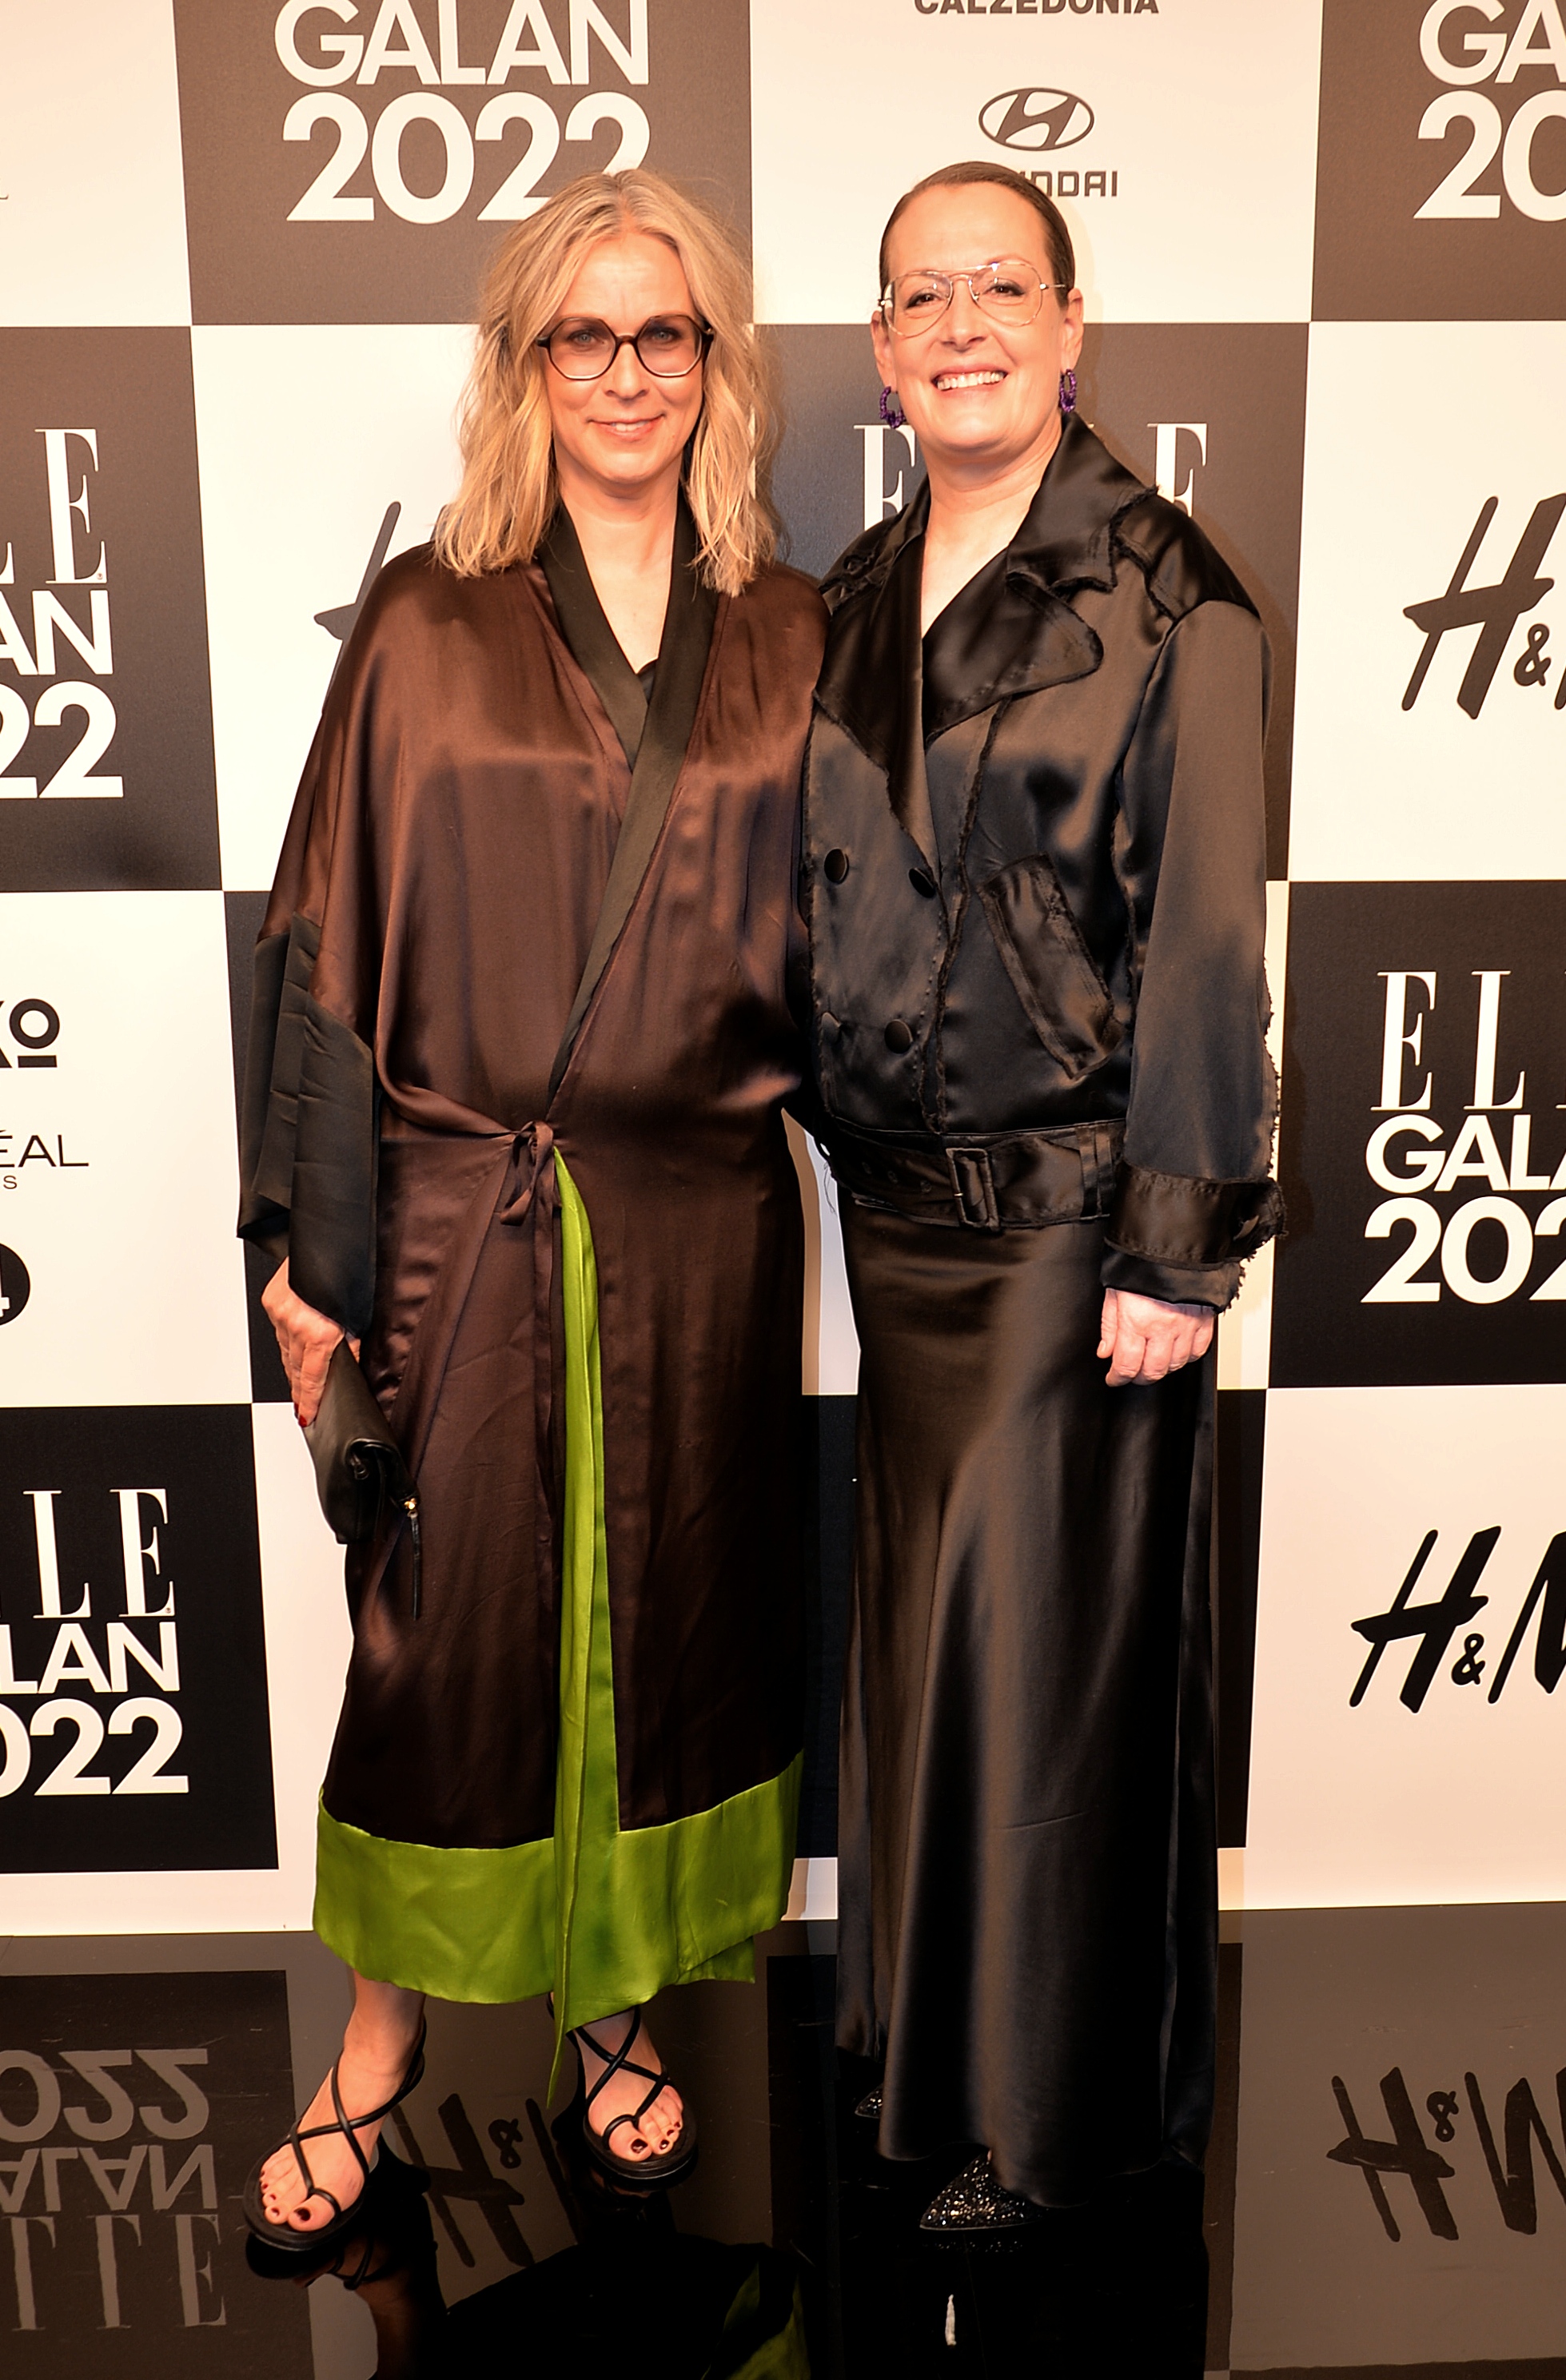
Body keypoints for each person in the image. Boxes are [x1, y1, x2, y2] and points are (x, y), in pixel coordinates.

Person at [238, 169, 826, 2245]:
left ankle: (616, 2007)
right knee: (440, 1647)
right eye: (586, 334)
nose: (628, 372)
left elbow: (865, 954)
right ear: (526, 366)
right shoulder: (429, 621)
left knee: (669, 1625)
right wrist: (307, 1264)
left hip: (702, 1233)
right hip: (456, 1223)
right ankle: (379, 2042)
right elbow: (321, 945)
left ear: (715, 363)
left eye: (665, 332)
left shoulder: (789, 634)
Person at [803, 161, 1281, 2227]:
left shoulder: (1175, 590)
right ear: (882, 347)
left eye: (1003, 284)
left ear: (1073, 327)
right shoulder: (850, 589)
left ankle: (1045, 2108)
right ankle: (924, 2041)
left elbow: (1207, 940)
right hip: (899, 1219)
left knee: (1049, 1672)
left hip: (1078, 1231)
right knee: (932, 1643)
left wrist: (1177, 1245)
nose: (964, 323)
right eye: (925, 295)